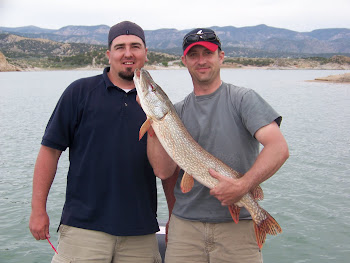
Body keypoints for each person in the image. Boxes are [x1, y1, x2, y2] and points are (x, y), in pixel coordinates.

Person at [147, 28, 289, 263]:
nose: (201, 61)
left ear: (220, 56)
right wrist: (153, 125)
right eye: (194, 55)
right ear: (184, 61)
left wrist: (243, 185)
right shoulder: (177, 112)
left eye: (208, 53)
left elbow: (278, 148)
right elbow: (164, 172)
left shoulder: (243, 99)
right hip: (186, 229)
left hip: (237, 229)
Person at [29, 21, 162, 263]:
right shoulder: (79, 92)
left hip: (140, 232)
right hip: (83, 229)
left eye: (136, 46)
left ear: (145, 53)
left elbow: (170, 165)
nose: (128, 53)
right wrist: (38, 210)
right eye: (120, 47)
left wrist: (174, 214)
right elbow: (49, 152)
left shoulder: (157, 101)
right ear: (108, 54)